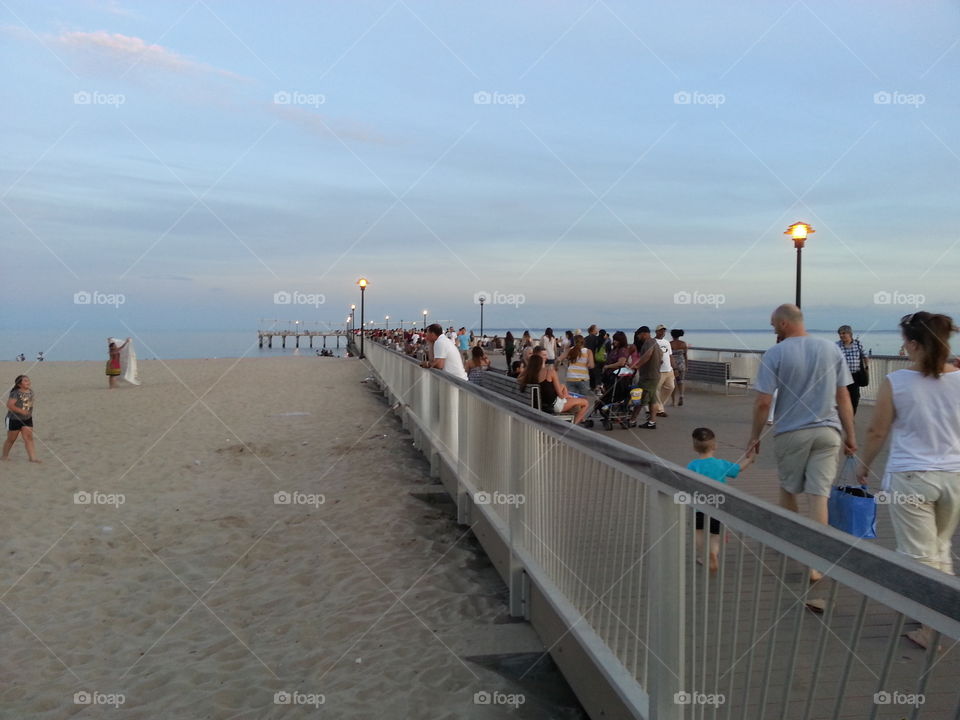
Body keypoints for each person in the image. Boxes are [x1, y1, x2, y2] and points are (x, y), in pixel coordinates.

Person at [856, 312, 960, 649]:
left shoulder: (897, 382)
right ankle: (940, 611)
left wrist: (863, 464)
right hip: (953, 477)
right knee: (939, 549)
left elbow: (877, 430)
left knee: (919, 555)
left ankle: (935, 625)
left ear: (914, 344)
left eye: (905, 341)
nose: (903, 346)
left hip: (912, 477)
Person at [748, 304, 856, 585]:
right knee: (819, 496)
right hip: (828, 433)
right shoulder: (831, 349)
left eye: (774, 324)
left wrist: (754, 436)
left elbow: (763, 402)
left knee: (788, 489)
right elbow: (843, 396)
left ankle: (790, 540)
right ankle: (816, 563)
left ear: (784, 324)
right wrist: (851, 435)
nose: (772, 328)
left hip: (791, 433)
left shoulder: (775, 353)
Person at [688, 427, 754, 571]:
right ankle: (713, 554)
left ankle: (703, 555)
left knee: (698, 531)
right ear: (715, 446)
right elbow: (739, 468)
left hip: (699, 504)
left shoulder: (692, 465)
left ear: (694, 447)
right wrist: (749, 459)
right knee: (715, 534)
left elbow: (687, 483)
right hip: (718, 504)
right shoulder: (721, 464)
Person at [518, 354, 590, 424]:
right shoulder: (550, 372)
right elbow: (561, 395)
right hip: (553, 406)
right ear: (541, 363)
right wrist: (567, 395)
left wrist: (527, 368)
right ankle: (572, 427)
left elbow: (519, 378)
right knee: (585, 403)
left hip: (538, 405)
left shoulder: (527, 376)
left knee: (563, 387)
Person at [628, 327, 661, 429]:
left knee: (639, 399)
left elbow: (647, 355)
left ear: (644, 334)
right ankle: (652, 422)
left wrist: (636, 365)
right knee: (652, 400)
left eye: (639, 335)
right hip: (654, 375)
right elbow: (661, 355)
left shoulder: (648, 343)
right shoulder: (655, 342)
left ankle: (632, 420)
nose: (638, 337)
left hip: (648, 376)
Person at [3, 375, 39, 463]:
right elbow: (9, 405)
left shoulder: (31, 392)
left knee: (29, 438)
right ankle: (4, 456)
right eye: (25, 381)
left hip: (27, 419)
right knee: (11, 439)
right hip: (14, 419)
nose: (28, 382)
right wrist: (21, 411)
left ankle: (33, 458)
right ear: (19, 384)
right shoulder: (15, 393)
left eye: (28, 380)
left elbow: (29, 403)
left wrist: (28, 412)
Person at [836, 325, 868, 414]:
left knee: (854, 397)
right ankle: (842, 416)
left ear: (850, 334)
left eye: (843, 333)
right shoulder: (837, 345)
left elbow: (865, 356)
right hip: (842, 376)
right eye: (840, 334)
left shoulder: (858, 344)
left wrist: (866, 368)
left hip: (855, 375)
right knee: (841, 397)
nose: (841, 335)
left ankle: (851, 416)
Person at [653, 324, 675, 417]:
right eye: (660, 331)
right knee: (656, 389)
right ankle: (659, 410)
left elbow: (670, 355)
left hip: (668, 370)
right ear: (656, 331)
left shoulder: (667, 342)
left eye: (664, 331)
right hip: (659, 370)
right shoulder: (653, 342)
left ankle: (658, 406)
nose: (662, 332)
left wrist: (674, 367)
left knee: (670, 387)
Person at [670, 329, 688, 406]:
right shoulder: (683, 344)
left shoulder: (670, 344)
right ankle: (681, 396)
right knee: (681, 382)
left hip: (673, 365)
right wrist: (687, 366)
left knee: (672, 383)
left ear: (672, 335)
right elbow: (685, 356)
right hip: (682, 364)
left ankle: (673, 401)